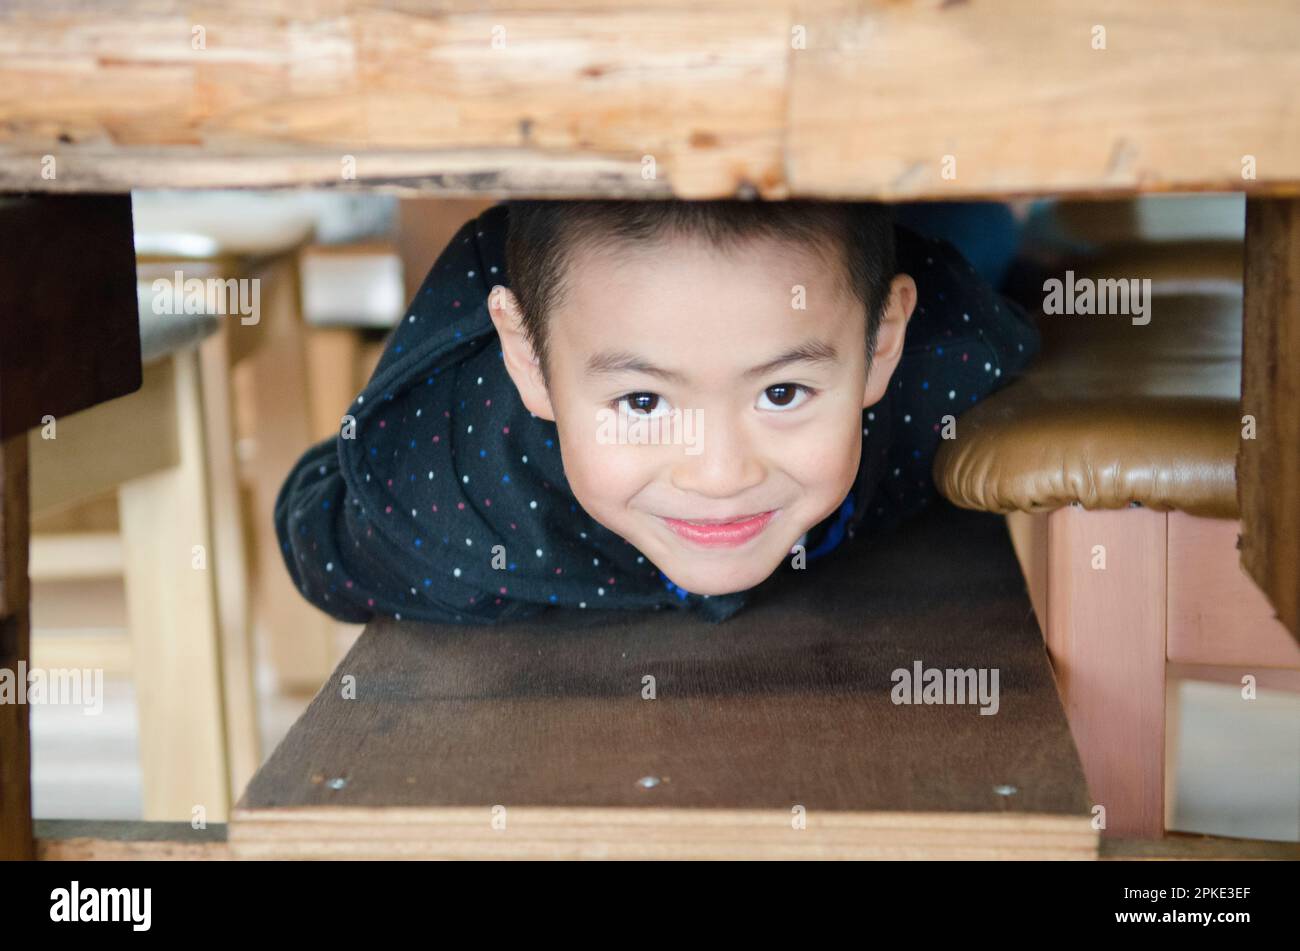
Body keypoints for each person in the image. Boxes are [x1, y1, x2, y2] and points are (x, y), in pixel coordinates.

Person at [274, 199, 1039, 625]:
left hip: (923, 232)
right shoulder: (453, 510)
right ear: (530, 363)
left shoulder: (947, 372)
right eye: (643, 402)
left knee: (988, 229)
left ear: (880, 346)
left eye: (781, 393)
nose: (719, 474)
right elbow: (314, 524)